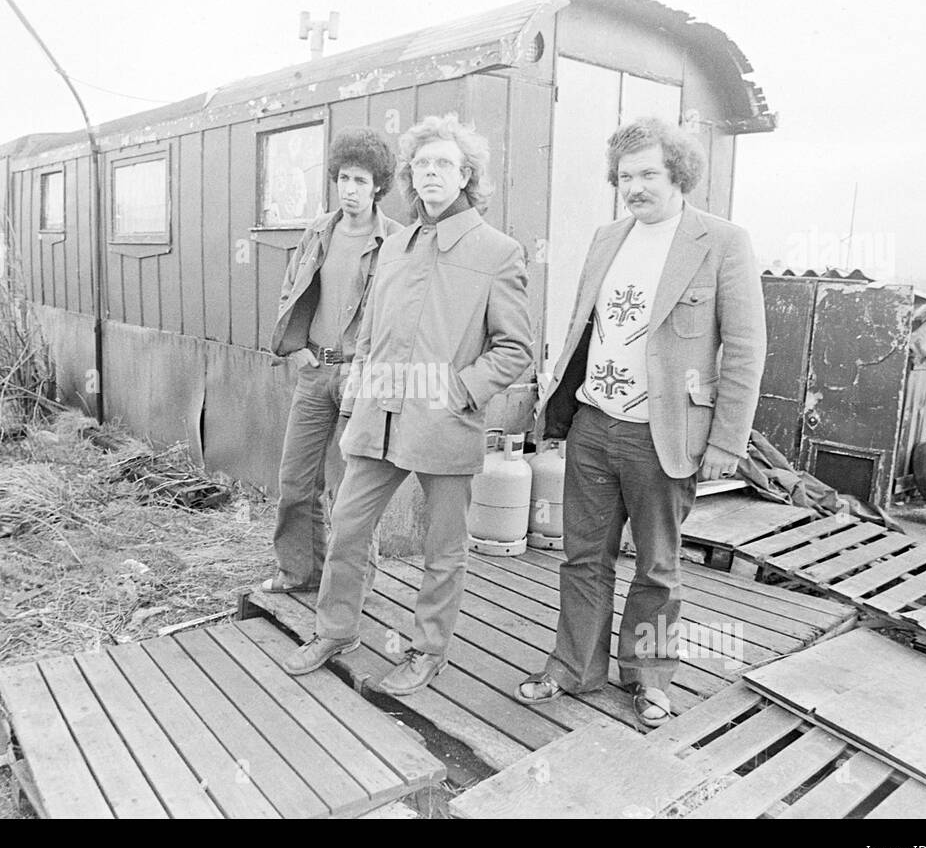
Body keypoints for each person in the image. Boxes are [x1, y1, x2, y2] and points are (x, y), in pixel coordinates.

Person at [515, 117, 766, 727]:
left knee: (657, 566)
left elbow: (745, 346)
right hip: (595, 426)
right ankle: (573, 668)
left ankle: (649, 676)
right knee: (582, 557)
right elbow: (584, 330)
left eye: (648, 173)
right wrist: (556, 407)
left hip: (665, 437)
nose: (635, 186)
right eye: (625, 176)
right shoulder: (607, 238)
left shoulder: (722, 242)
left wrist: (726, 440)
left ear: (677, 173)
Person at [284, 113, 532, 695]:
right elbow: (370, 328)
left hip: (445, 423)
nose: (430, 173)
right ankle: (336, 629)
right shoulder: (394, 246)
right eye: (421, 164)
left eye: (443, 163)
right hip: (379, 419)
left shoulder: (498, 252)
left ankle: (428, 650)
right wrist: (361, 379)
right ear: (408, 176)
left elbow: (515, 347)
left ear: (466, 175)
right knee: (346, 526)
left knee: (442, 547)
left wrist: (459, 390)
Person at [261, 127, 402, 596]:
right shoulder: (318, 231)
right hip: (313, 373)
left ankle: (351, 588)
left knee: (354, 492)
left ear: (379, 185)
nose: (350, 189)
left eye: (361, 180)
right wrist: (297, 351)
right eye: (343, 178)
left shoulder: (398, 242)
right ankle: (299, 573)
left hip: (360, 379)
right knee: (296, 482)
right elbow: (289, 290)